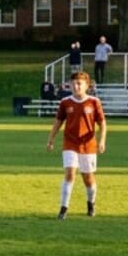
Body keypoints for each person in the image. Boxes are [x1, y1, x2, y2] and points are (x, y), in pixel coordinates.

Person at [48, 72, 107, 219]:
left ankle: (91, 203)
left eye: (79, 83)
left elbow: (102, 123)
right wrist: (51, 139)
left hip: (88, 145)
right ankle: (63, 208)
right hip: (70, 143)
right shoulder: (65, 102)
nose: (76, 86)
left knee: (88, 178)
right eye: (73, 83)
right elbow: (58, 122)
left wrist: (102, 141)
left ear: (87, 85)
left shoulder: (94, 102)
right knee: (69, 174)